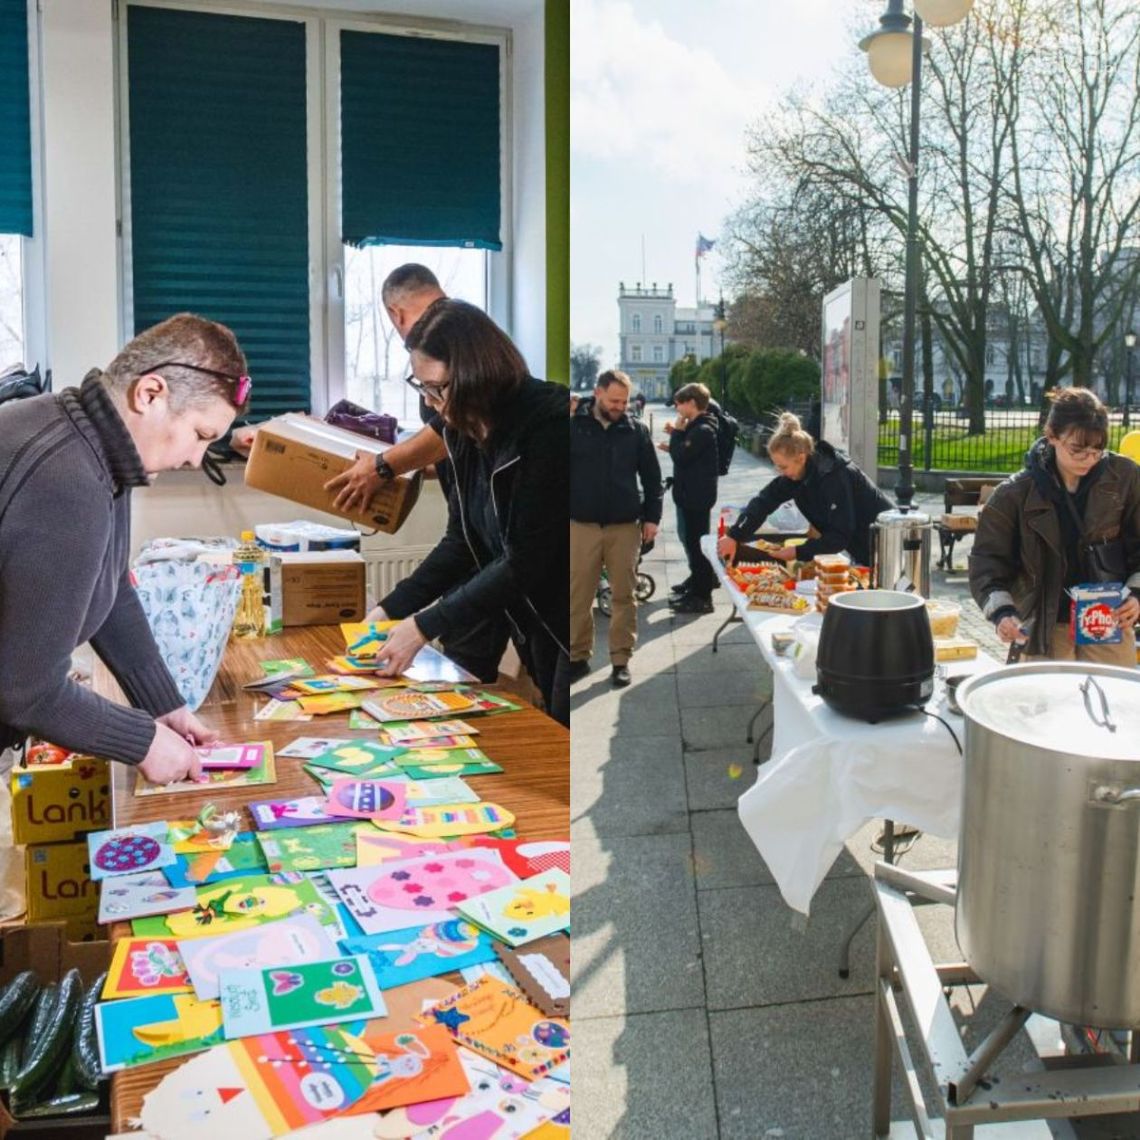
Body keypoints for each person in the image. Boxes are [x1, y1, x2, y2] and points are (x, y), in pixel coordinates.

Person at [0, 313, 251, 785]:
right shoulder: (65, 477)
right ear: (150, 394)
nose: (197, 459)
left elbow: (109, 582)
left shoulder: (93, 444)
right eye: (200, 435)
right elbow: (27, 689)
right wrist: (143, 742)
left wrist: (163, 704)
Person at [364, 300, 570, 725]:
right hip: (531, 626)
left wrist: (423, 626)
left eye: (437, 387)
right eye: (420, 386)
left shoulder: (549, 425)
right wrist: (389, 610)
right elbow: (462, 541)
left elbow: (526, 559)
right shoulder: (460, 426)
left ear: (476, 373)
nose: (431, 403)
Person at [969, 387, 1140, 664]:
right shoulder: (1014, 493)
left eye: (1097, 449)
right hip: (1043, 629)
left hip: (1109, 621)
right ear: (1052, 436)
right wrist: (1003, 614)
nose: (1089, 458)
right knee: (1046, 705)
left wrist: (1136, 595)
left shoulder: (1126, 477)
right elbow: (987, 564)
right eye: (1078, 449)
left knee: (1115, 702)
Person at [570, 370, 663, 687]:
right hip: (581, 524)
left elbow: (652, 479)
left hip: (624, 526)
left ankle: (620, 661)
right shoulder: (573, 425)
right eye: (613, 400)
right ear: (597, 393)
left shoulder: (635, 431)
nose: (620, 406)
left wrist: (653, 518)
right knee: (577, 597)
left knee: (624, 596)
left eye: (624, 401)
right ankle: (577, 657)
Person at [717, 411, 892, 569]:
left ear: (801, 458)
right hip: (861, 547)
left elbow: (839, 535)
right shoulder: (796, 474)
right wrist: (734, 536)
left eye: (783, 467)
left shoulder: (833, 476)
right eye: (777, 467)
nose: (780, 473)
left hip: (886, 545)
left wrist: (798, 551)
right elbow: (764, 501)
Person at [660, 382, 720, 615]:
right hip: (692, 494)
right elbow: (685, 454)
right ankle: (697, 587)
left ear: (692, 403)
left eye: (679, 403)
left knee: (698, 547)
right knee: (695, 545)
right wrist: (678, 437)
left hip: (696, 496)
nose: (676, 407)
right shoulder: (698, 427)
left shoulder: (703, 429)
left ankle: (703, 597)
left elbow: (682, 457)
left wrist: (676, 431)